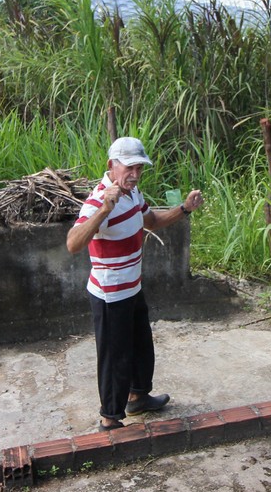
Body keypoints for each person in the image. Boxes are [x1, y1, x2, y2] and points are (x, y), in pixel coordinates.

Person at [66, 137, 204, 432]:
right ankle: (110, 417)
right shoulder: (98, 201)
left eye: (139, 168)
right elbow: (73, 244)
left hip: (132, 287)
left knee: (142, 346)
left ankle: (138, 397)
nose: (135, 174)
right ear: (111, 166)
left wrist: (185, 208)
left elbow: (151, 221)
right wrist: (104, 210)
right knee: (115, 356)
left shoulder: (132, 193)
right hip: (109, 295)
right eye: (130, 168)